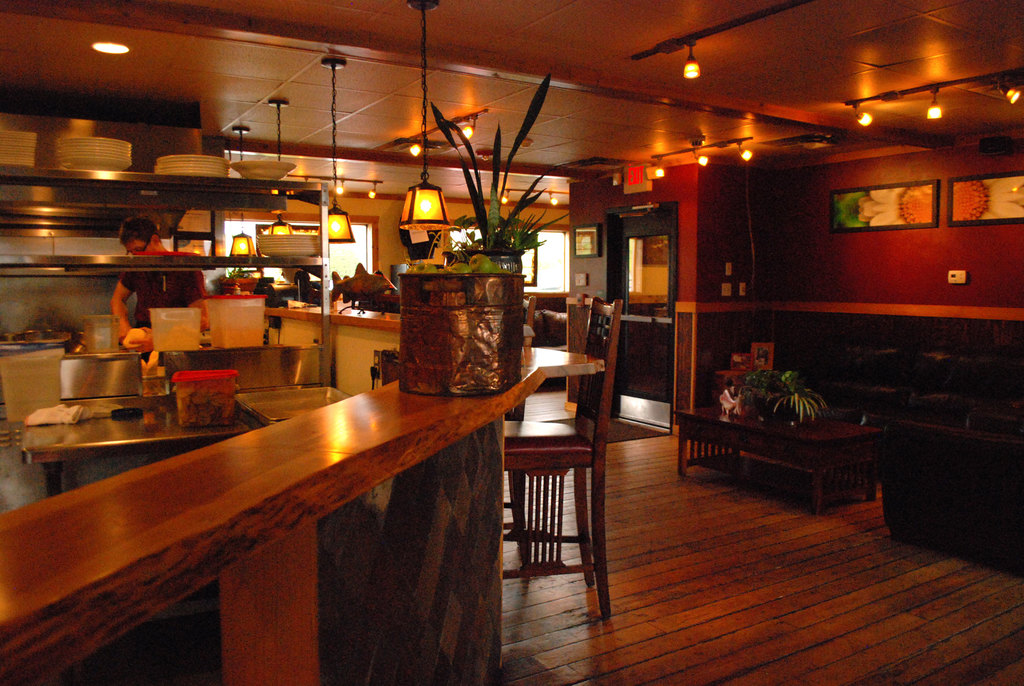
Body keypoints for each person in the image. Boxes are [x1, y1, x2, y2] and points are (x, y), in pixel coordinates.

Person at [111, 216, 208, 347]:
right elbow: (117, 299)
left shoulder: (186, 269)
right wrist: (123, 328)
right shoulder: (137, 266)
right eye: (131, 252)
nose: (136, 256)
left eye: (139, 250)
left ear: (155, 240)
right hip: (144, 335)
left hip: (178, 340)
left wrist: (160, 338)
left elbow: (202, 319)